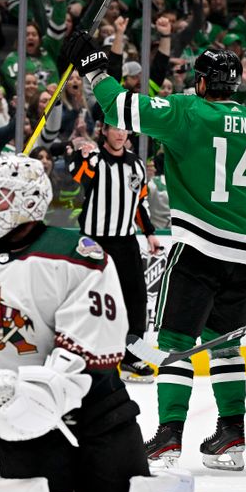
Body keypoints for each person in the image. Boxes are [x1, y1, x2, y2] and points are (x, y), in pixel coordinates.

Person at [60, 33, 246, 470]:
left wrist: (95, 66)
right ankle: (232, 433)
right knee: (226, 345)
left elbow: (120, 108)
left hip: (200, 249)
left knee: (177, 341)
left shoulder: (186, 112)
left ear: (200, 81)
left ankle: (169, 436)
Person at [0, 155, 152, 492]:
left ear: (30, 201)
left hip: (99, 413)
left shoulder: (77, 254)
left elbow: (90, 344)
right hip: (18, 424)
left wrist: (43, 390)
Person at [68, 122, 162, 383]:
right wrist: (81, 153)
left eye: (124, 130)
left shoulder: (137, 165)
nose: (121, 134)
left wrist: (149, 233)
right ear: (104, 131)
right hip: (95, 242)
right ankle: (89, 358)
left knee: (136, 301)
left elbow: (139, 203)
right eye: (115, 129)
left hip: (126, 241)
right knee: (93, 300)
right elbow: (78, 175)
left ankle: (132, 359)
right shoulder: (95, 159)